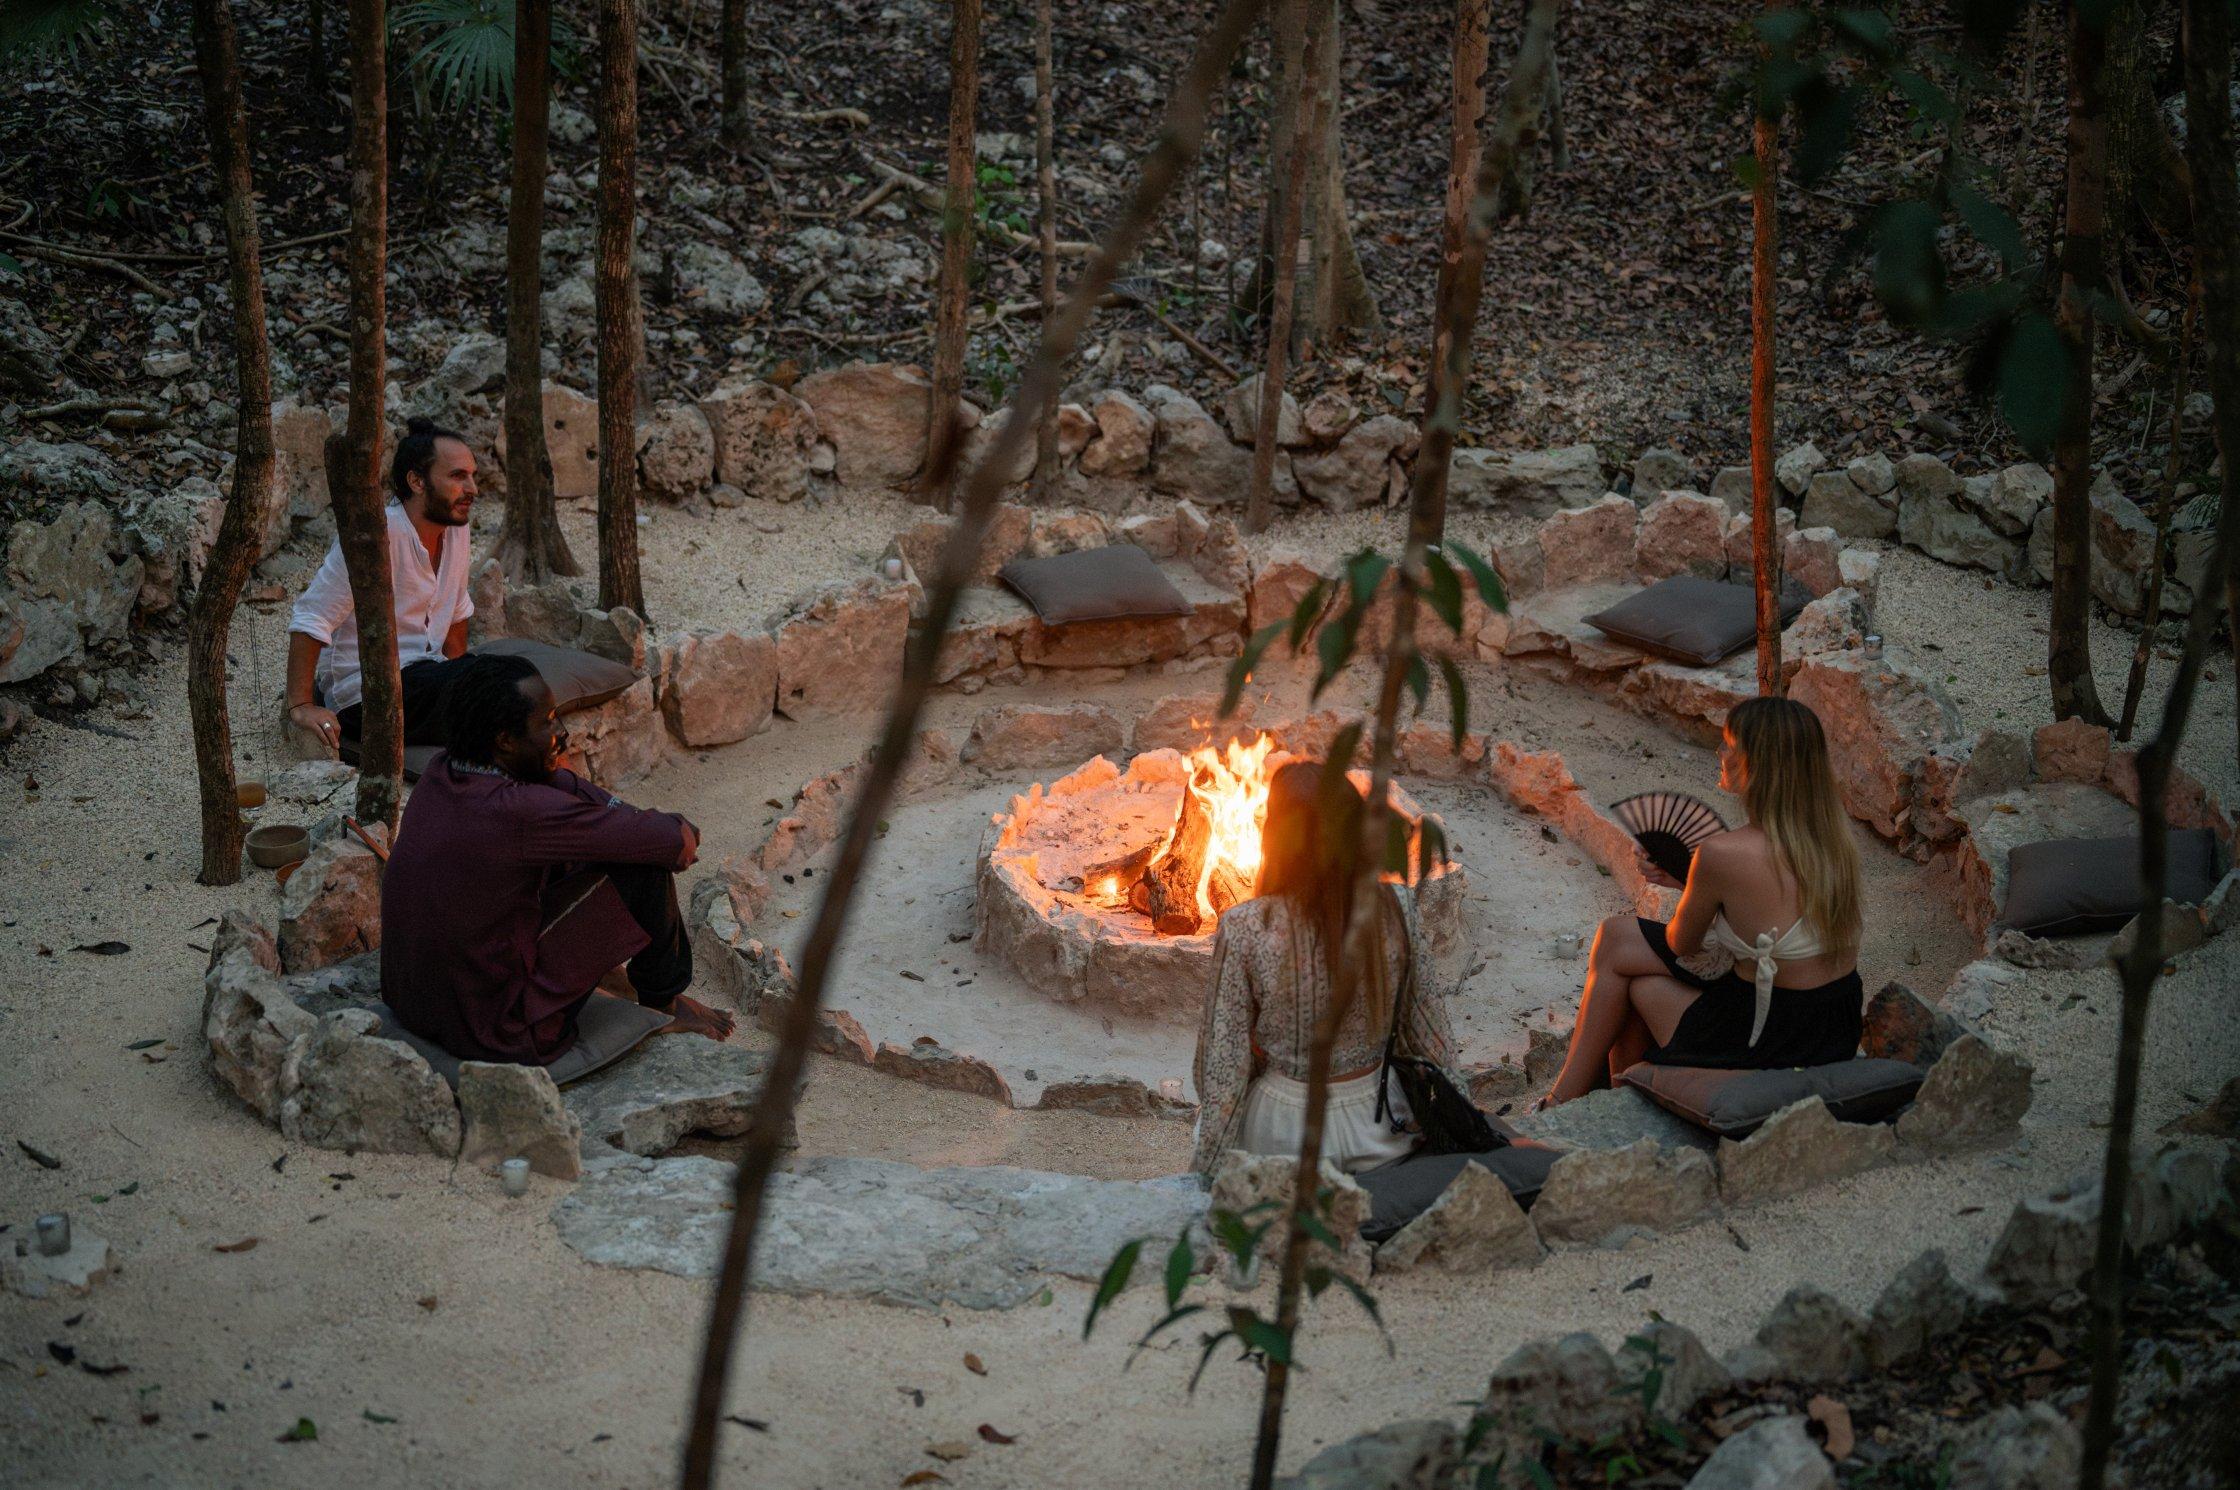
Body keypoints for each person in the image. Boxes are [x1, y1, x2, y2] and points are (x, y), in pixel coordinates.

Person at [380, 653, 736, 1067]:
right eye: (547, 721)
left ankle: (632, 988)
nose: (561, 732)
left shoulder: (443, 772)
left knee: (593, 849)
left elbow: (594, 809)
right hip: (501, 1031)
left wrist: (558, 775)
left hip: (414, 1004)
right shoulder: (520, 811)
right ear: (505, 741)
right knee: (641, 867)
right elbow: (670, 844)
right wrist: (674, 829)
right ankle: (663, 1003)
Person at [1541, 695, 1865, 1107]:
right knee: (1617, 937)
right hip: (1831, 1026)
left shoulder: (1722, 854)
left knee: (1628, 975)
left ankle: (1569, 1104)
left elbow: (1683, 945)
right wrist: (1687, 882)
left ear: (1754, 764)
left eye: (1728, 743)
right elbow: (1768, 914)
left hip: (1769, 1038)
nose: (1720, 751)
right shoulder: (1834, 840)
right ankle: (1592, 1101)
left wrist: (1697, 882)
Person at [1190, 760, 1459, 1175]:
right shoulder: (1397, 906)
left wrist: (1204, 1174)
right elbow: (1430, 1037)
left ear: (1275, 837)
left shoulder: (1245, 926)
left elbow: (1222, 1067)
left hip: (1284, 1131)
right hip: (1380, 1124)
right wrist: (1464, 1123)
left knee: (1206, 1133)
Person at [285, 417, 481, 749]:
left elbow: (457, 611)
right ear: (417, 481)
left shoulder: (457, 530)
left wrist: (456, 671)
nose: (472, 489)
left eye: (472, 476)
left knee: (509, 679)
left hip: (427, 676)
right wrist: (301, 705)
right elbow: (311, 616)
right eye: (458, 476)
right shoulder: (378, 535)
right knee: (497, 698)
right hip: (366, 694)